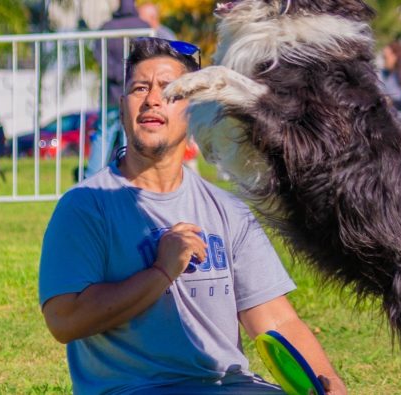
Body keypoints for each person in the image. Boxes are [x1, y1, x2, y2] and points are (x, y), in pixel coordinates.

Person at [39, 38, 346, 394]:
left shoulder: (228, 210)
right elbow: (64, 320)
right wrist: (161, 271)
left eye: (171, 90)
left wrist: (330, 381)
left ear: (195, 110)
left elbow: (276, 319)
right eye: (140, 88)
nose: (153, 99)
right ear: (123, 107)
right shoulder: (86, 207)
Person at [84, 0, 153, 179]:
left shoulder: (106, 28)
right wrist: (129, 76)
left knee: (103, 135)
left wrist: (117, 74)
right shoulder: (143, 27)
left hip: (111, 93)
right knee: (128, 134)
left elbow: (100, 58)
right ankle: (127, 175)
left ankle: (90, 178)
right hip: (134, 91)